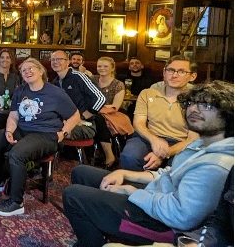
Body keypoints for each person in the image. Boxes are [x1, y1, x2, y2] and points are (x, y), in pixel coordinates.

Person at [63, 81, 234, 247]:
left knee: (73, 195)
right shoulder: (200, 144)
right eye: (191, 103)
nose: (194, 109)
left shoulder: (217, 165)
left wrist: (131, 192)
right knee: (81, 172)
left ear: (228, 113)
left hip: (163, 224)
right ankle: (98, 227)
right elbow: (169, 173)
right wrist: (125, 174)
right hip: (158, 196)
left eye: (207, 105)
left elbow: (180, 216)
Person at [0, 58, 81, 216]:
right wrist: (8, 131)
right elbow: (14, 116)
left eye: (31, 68)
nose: (27, 71)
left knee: (17, 154)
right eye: (23, 70)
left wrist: (63, 133)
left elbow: (75, 116)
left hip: (46, 134)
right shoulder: (20, 91)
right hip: (22, 129)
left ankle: (16, 202)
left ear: (41, 71)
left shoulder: (55, 92)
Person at [119, 55, 199, 171]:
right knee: (129, 156)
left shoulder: (198, 100)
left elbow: (193, 138)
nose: (174, 75)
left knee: (179, 166)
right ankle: (133, 187)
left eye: (181, 71)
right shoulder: (147, 93)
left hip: (180, 142)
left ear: (192, 76)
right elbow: (138, 124)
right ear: (164, 72)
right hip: (148, 137)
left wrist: (163, 153)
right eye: (170, 70)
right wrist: (155, 140)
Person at [50, 51, 114, 167]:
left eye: (59, 59)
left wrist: (83, 116)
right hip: (64, 124)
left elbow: (100, 98)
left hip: (85, 125)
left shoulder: (78, 76)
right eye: (53, 60)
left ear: (68, 61)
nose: (55, 62)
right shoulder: (55, 83)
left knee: (51, 131)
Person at [93, 56, 131, 167]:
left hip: (111, 114)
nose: (102, 68)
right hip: (93, 111)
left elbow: (115, 106)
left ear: (112, 68)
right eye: (99, 66)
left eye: (105, 66)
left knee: (98, 119)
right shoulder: (92, 79)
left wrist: (97, 107)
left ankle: (109, 155)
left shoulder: (118, 84)